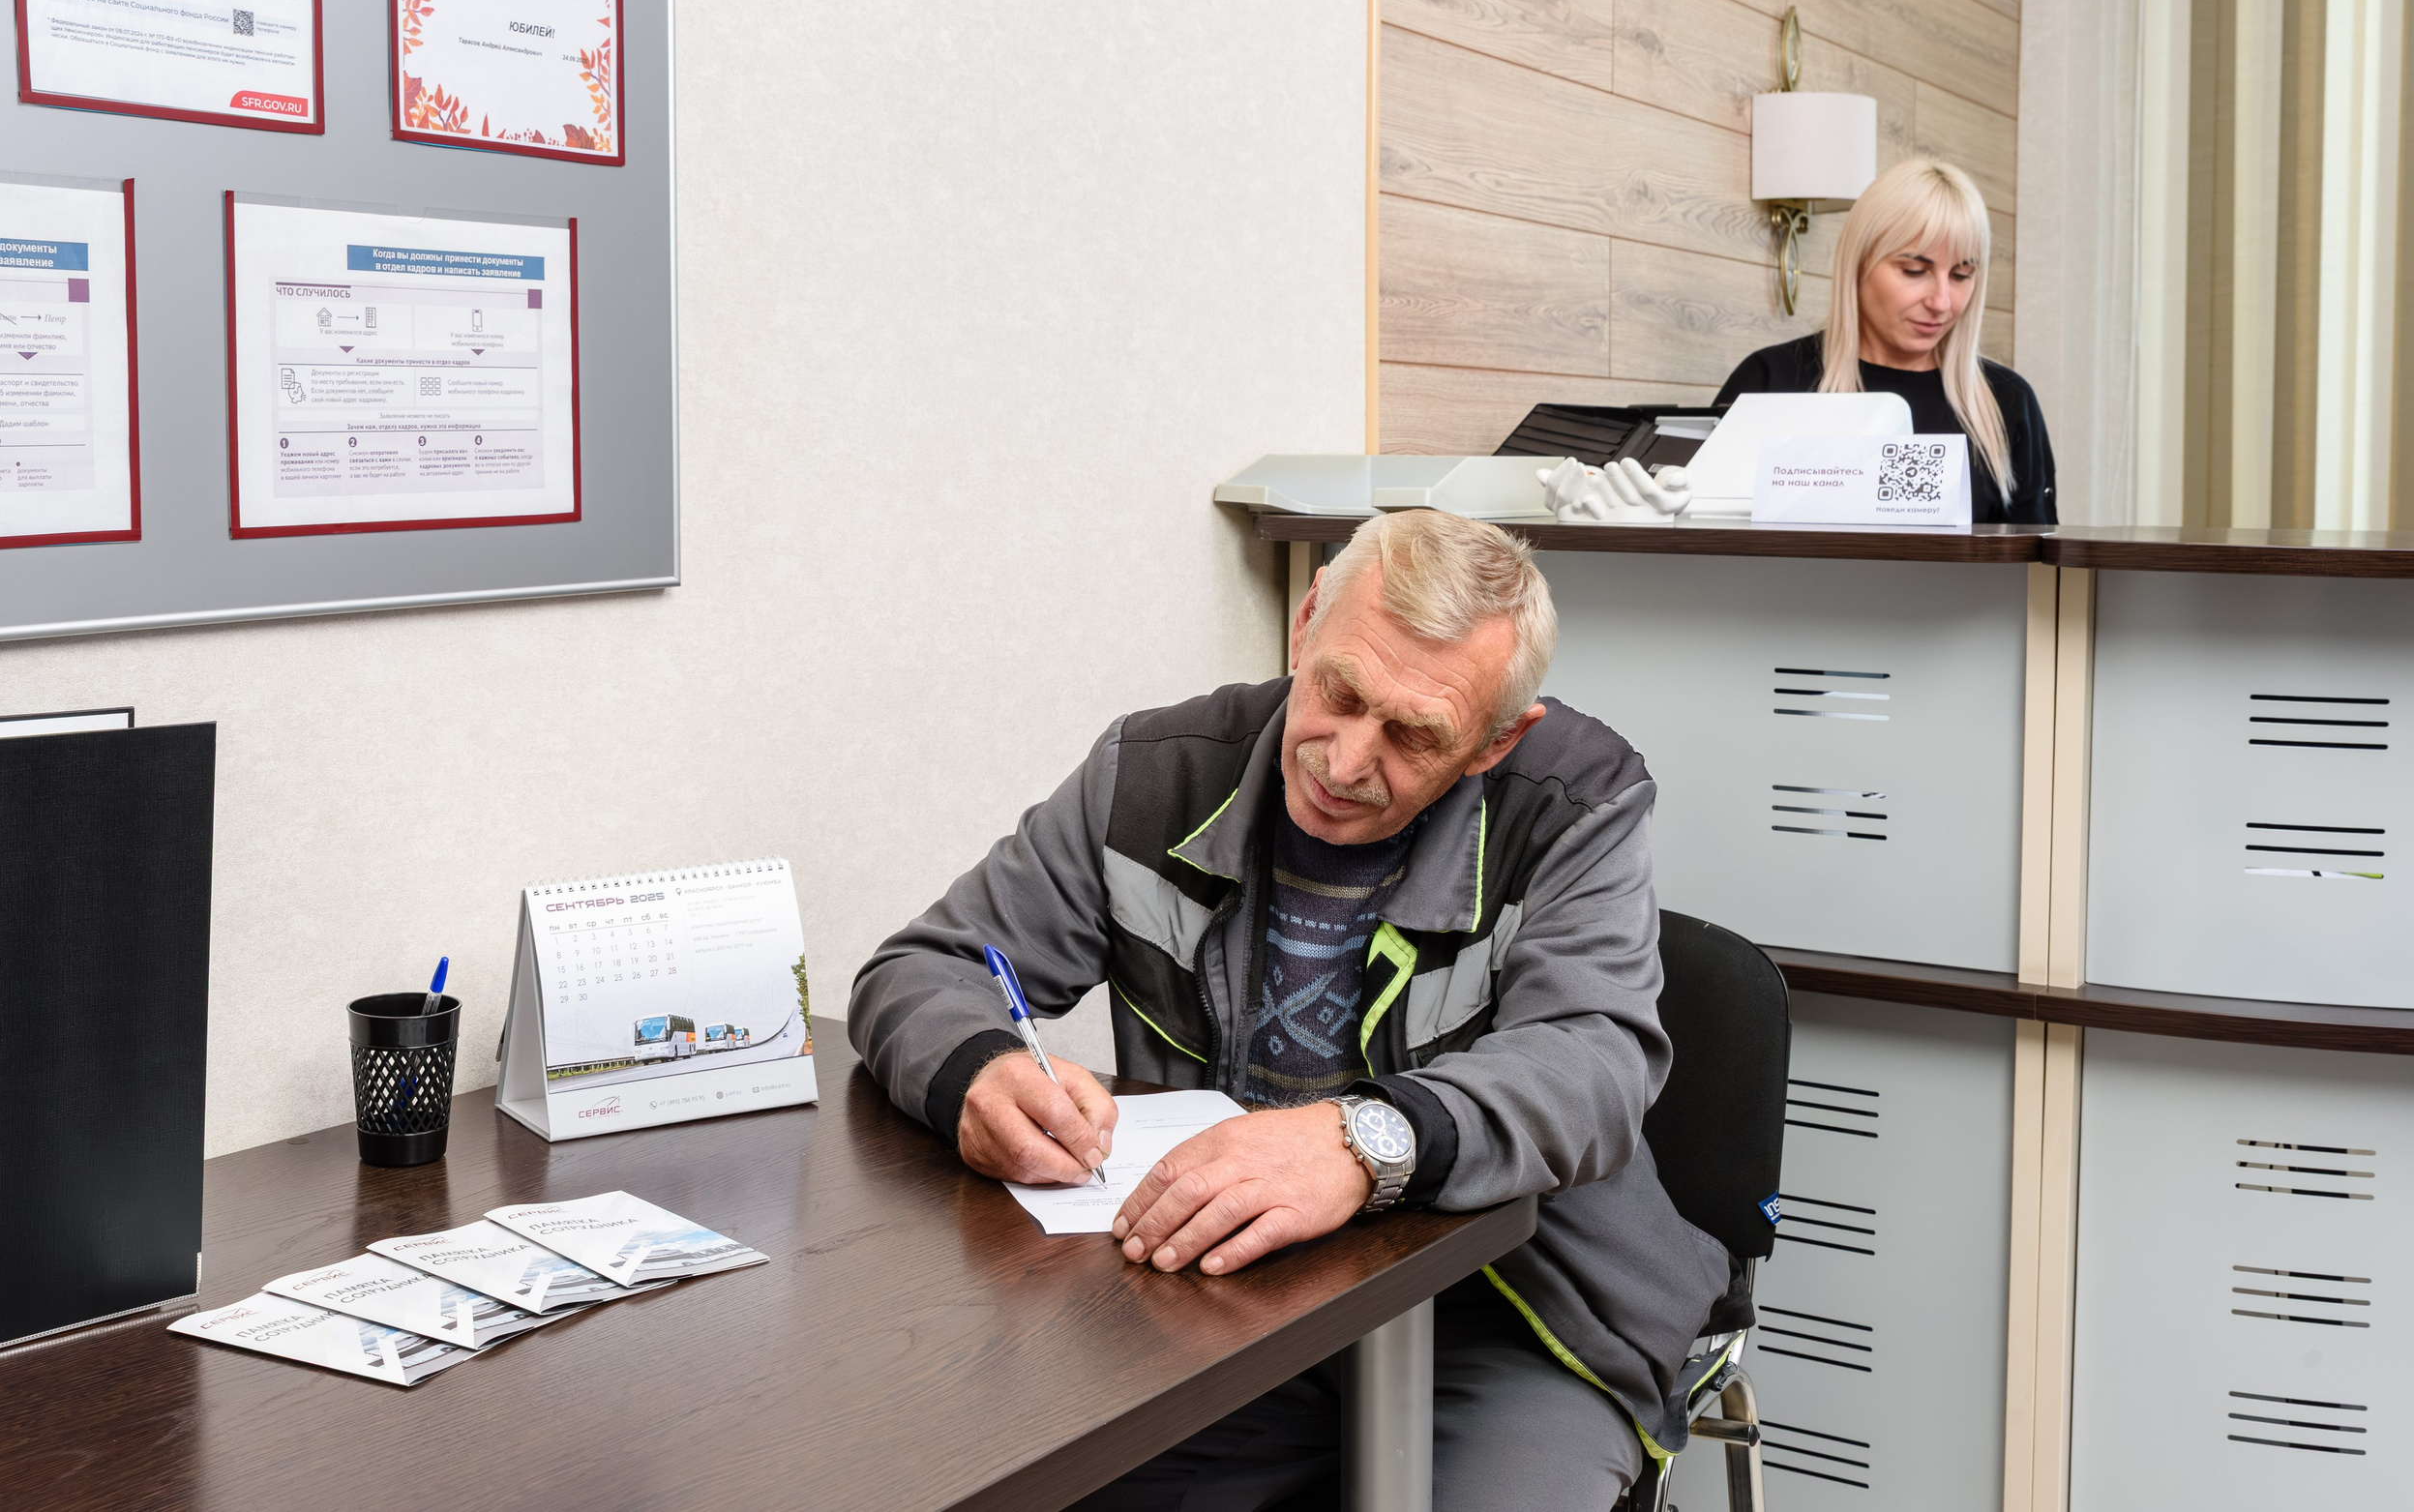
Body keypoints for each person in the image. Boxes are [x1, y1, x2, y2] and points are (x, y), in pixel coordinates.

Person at [849, 509, 1730, 1511]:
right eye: (1339, 692)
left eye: (1412, 733)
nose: (1345, 761)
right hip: (1229, 1304)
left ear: (1494, 740)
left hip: (1512, 1313)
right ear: (1306, 621)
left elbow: (1593, 1064)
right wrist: (976, 1068)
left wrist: (1364, 1142)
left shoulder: (1577, 803)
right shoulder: (1150, 772)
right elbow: (927, 967)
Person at [1716, 156, 2058, 524]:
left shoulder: (2007, 403)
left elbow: (2034, 576)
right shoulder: (1771, 382)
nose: (1941, 302)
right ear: (1859, 263)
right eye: (1915, 271)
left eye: (1961, 274)